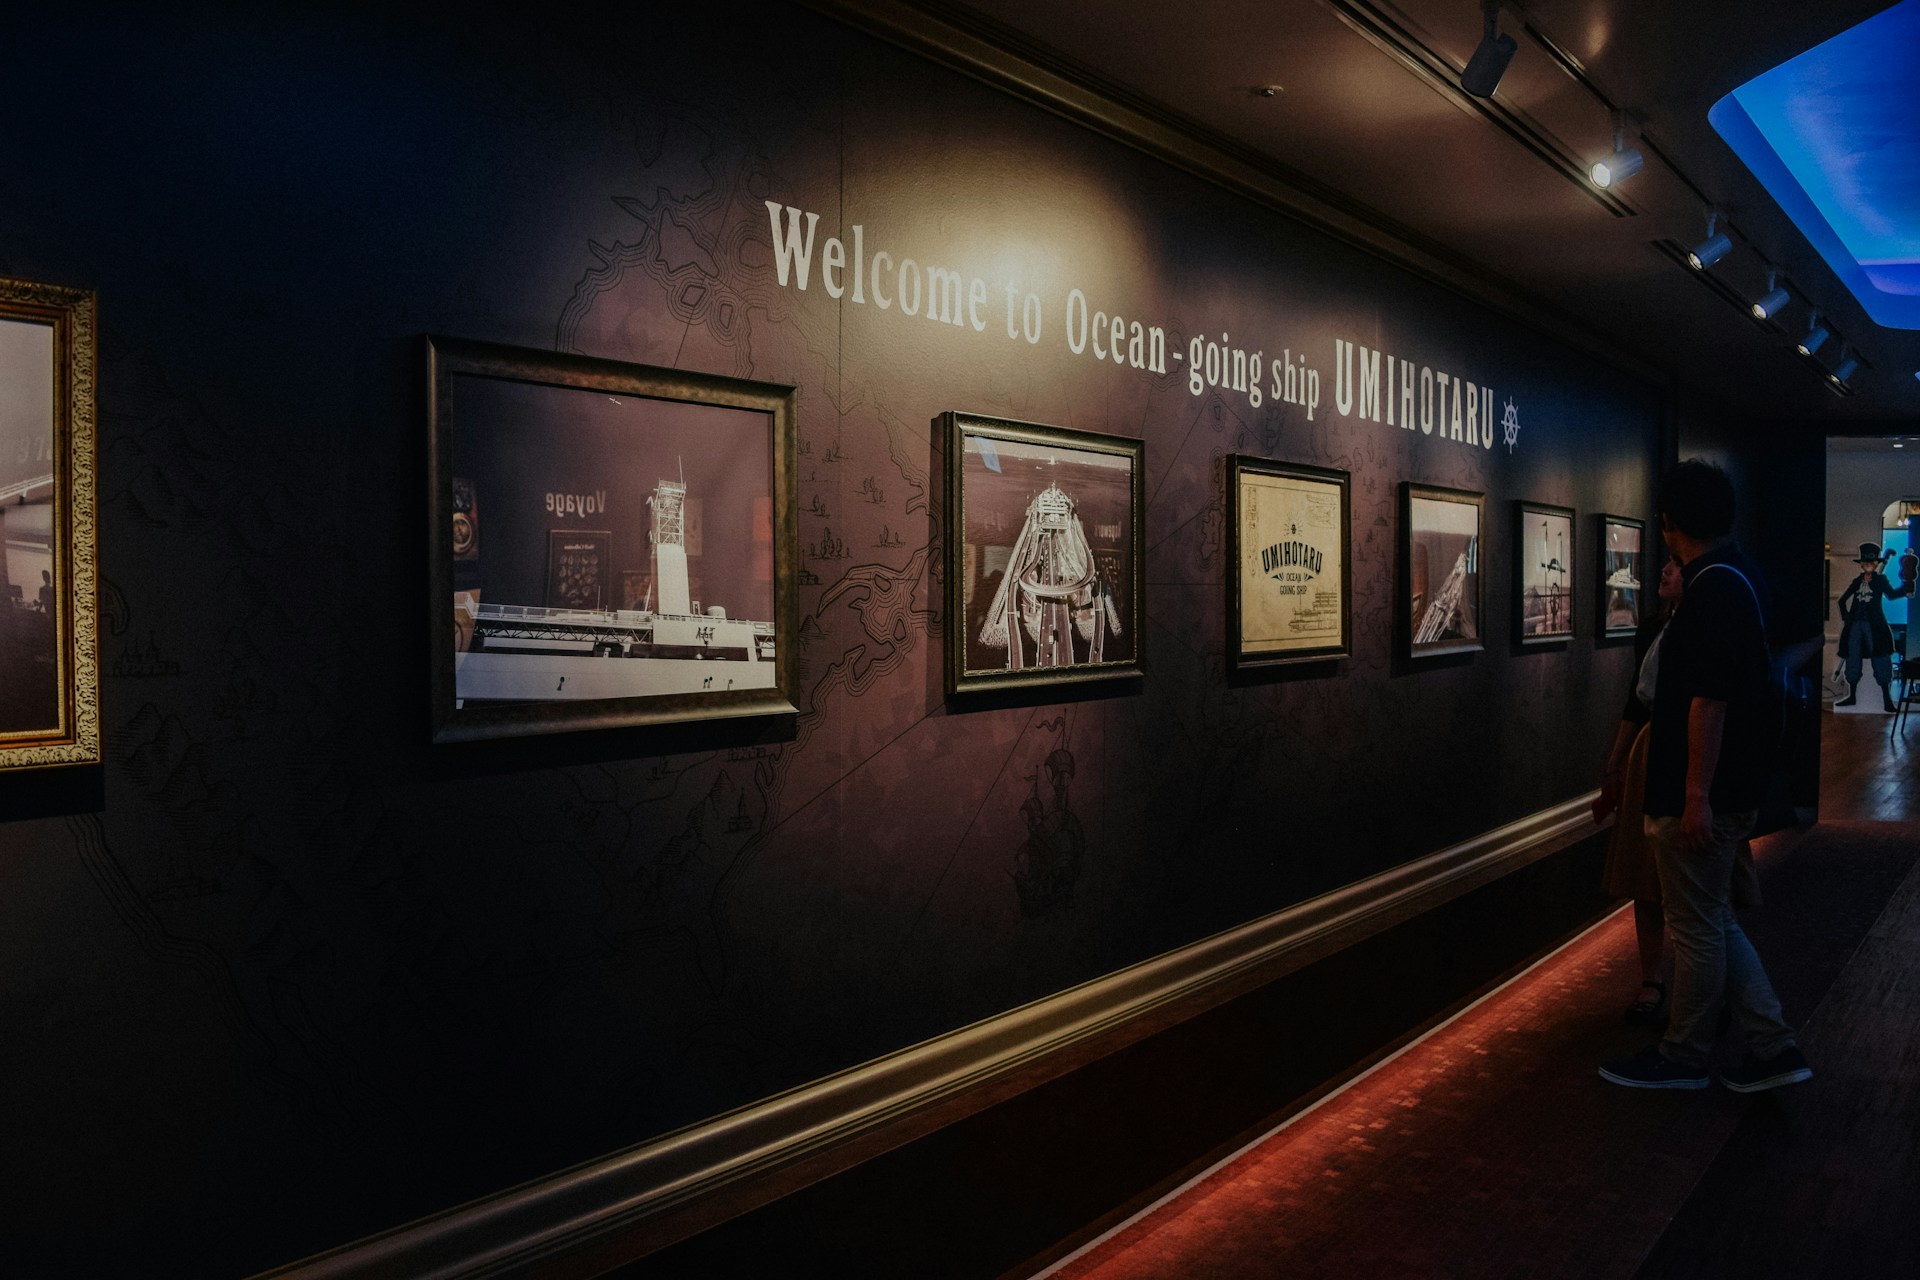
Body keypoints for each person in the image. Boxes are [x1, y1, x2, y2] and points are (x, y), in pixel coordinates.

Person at [1600, 460, 1810, 1093]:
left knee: (1696, 927)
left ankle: (1685, 1055)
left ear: (1668, 525)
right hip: (1727, 789)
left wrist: (1694, 797)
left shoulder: (1712, 589)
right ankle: (1773, 1046)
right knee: (1713, 918)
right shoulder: (1738, 578)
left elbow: (1707, 702)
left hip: (1702, 794)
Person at [1593, 553, 1685, 1025]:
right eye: (1664, 563)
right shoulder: (1651, 628)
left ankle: (1702, 988)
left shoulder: (1705, 627)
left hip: (1690, 754)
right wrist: (1615, 760)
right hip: (1649, 753)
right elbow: (1635, 697)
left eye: (1674, 564)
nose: (1664, 570)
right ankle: (1652, 979)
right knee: (1645, 880)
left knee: (1693, 886)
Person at [1835, 542, 1912, 712]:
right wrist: (1846, 617)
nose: (1868, 566)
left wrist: (1904, 589)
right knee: (1853, 656)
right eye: (1866, 563)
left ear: (1876, 564)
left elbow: (1891, 595)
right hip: (1855, 625)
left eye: (1871, 563)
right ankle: (1852, 695)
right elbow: (1842, 600)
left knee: (1881, 657)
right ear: (1862, 564)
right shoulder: (1857, 581)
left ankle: (1886, 699)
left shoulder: (1880, 580)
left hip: (1875, 625)